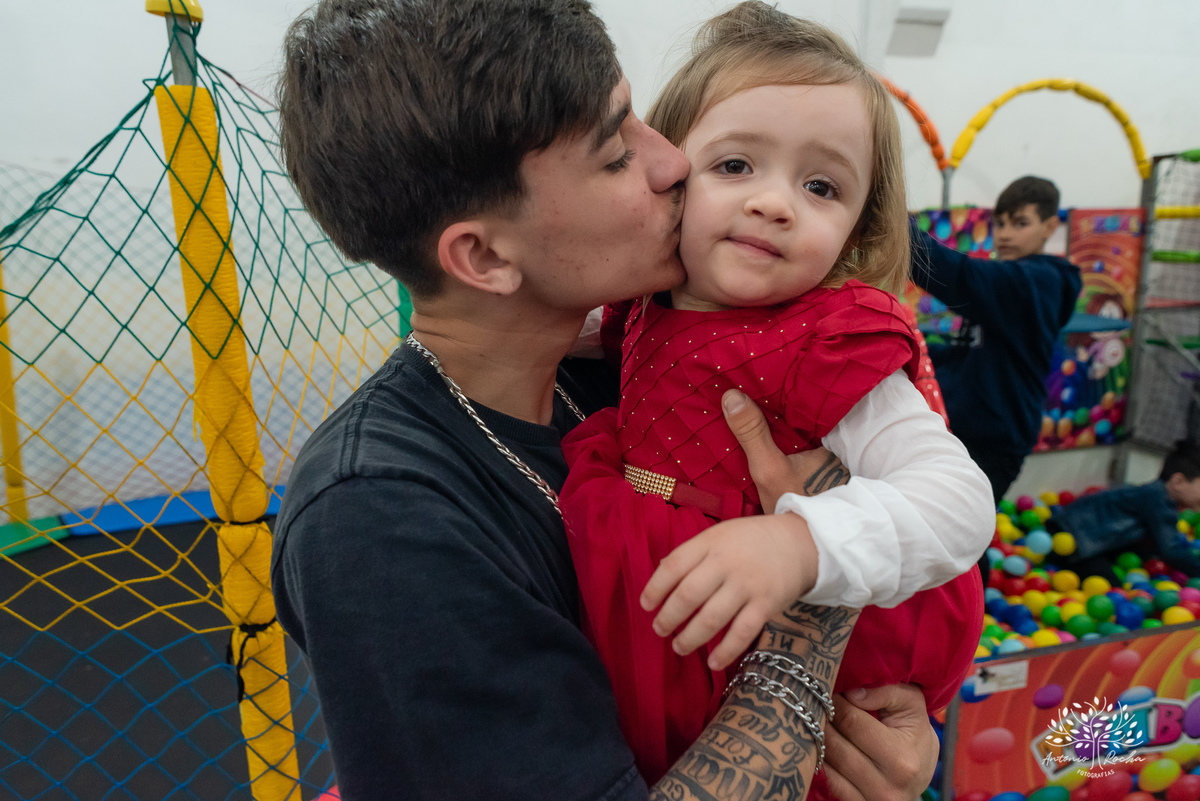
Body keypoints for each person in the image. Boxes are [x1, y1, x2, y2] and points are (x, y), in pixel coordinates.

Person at [271, 1, 942, 799]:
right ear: (485, 255)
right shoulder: (383, 521)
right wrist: (808, 640)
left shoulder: (621, 365)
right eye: (617, 151)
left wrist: (884, 742)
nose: (671, 163)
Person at [558, 4, 989, 788]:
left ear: (856, 231)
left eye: (821, 185)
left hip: (770, 612)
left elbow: (959, 499)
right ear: (669, 173)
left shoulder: (828, 339)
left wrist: (802, 545)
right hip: (661, 582)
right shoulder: (644, 300)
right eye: (735, 166)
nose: (775, 202)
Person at [910, 176, 1084, 502]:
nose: (1005, 234)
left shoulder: (1039, 281)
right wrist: (906, 352)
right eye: (1000, 223)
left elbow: (962, 277)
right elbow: (968, 354)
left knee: (958, 538)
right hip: (960, 429)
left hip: (994, 442)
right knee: (941, 532)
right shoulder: (1012, 286)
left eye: (1020, 224)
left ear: (1049, 228)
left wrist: (900, 234)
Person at [1049, 440, 1200, 578]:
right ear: (1178, 481)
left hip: (1069, 529)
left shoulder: (1153, 492)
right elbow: (1171, 551)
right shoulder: (1160, 501)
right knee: (1110, 588)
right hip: (1074, 542)